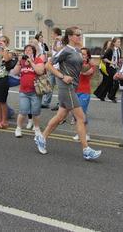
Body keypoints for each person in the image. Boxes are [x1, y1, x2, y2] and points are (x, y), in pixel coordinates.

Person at [34, 26, 102, 160]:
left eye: (80, 35)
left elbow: (81, 69)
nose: (79, 37)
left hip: (73, 87)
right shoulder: (65, 50)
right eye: (77, 35)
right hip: (67, 87)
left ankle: (42, 137)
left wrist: (89, 65)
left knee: (60, 117)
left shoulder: (76, 51)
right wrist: (62, 76)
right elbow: (48, 65)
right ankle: (86, 150)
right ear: (70, 36)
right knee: (81, 118)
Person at [12, 44, 45, 138]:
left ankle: (37, 129)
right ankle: (18, 128)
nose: (27, 51)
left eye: (29, 50)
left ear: (33, 52)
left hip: (36, 92)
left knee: (35, 112)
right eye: (26, 50)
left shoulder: (38, 60)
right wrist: (18, 62)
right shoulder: (22, 61)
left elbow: (40, 71)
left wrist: (31, 62)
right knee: (23, 111)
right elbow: (14, 72)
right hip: (24, 91)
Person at [72, 47, 95, 141]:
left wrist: (86, 62)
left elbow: (85, 72)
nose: (82, 55)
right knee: (75, 114)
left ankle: (86, 134)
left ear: (88, 56)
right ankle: (79, 133)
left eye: (84, 54)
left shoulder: (90, 65)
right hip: (75, 91)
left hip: (85, 92)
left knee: (81, 113)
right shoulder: (76, 64)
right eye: (80, 54)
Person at [94, 37, 121, 103]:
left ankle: (101, 95)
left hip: (115, 68)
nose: (119, 43)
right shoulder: (110, 50)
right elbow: (104, 58)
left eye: (120, 42)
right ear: (114, 43)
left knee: (108, 82)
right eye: (118, 42)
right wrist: (111, 62)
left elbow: (118, 58)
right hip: (108, 68)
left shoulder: (119, 50)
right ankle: (111, 96)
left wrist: (119, 62)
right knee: (115, 81)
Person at [42, 27, 63, 110]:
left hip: (58, 68)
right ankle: (46, 102)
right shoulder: (56, 41)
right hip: (52, 67)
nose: (51, 35)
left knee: (60, 87)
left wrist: (57, 41)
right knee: (49, 85)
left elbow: (59, 51)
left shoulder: (62, 41)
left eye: (52, 34)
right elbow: (54, 50)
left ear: (56, 34)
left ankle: (60, 104)